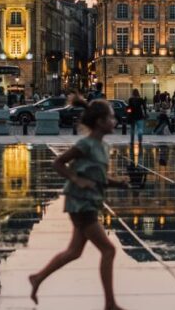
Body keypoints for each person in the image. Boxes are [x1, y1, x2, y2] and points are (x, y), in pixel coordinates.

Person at [29, 98, 127, 310]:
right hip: (81, 205)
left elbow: (97, 177)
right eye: (110, 117)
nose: (115, 120)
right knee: (108, 250)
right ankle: (110, 304)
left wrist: (116, 182)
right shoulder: (85, 144)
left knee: (74, 251)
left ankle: (37, 278)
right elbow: (58, 163)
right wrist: (76, 179)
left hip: (89, 202)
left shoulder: (102, 146)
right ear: (100, 122)